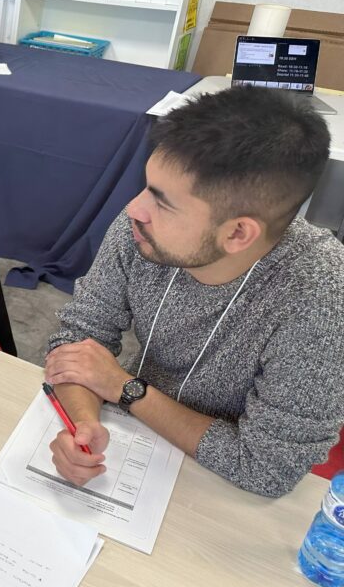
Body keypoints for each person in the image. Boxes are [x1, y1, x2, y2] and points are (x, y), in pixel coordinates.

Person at [44, 85, 344, 498]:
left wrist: (126, 389)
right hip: (134, 437)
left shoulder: (320, 295)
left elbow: (265, 469)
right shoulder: (142, 228)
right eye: (146, 185)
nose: (135, 207)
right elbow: (78, 342)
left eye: (163, 202)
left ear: (238, 233)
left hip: (225, 488)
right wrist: (83, 424)